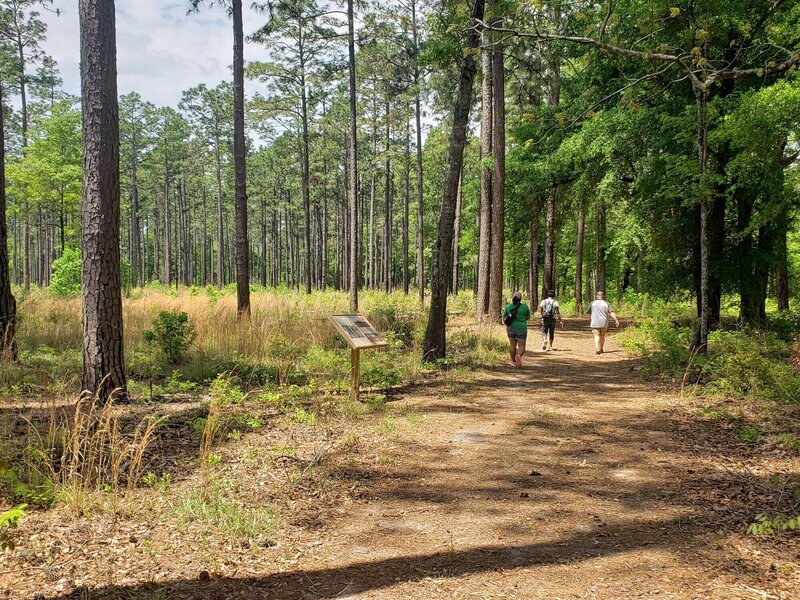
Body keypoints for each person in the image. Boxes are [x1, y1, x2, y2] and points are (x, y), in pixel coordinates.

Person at [502, 291, 531, 368]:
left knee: (512, 345)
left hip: (510, 328)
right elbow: (528, 317)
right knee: (521, 345)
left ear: (512, 298)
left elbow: (504, 317)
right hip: (521, 328)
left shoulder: (508, 307)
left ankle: (513, 362)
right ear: (520, 299)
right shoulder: (525, 307)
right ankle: (519, 355)